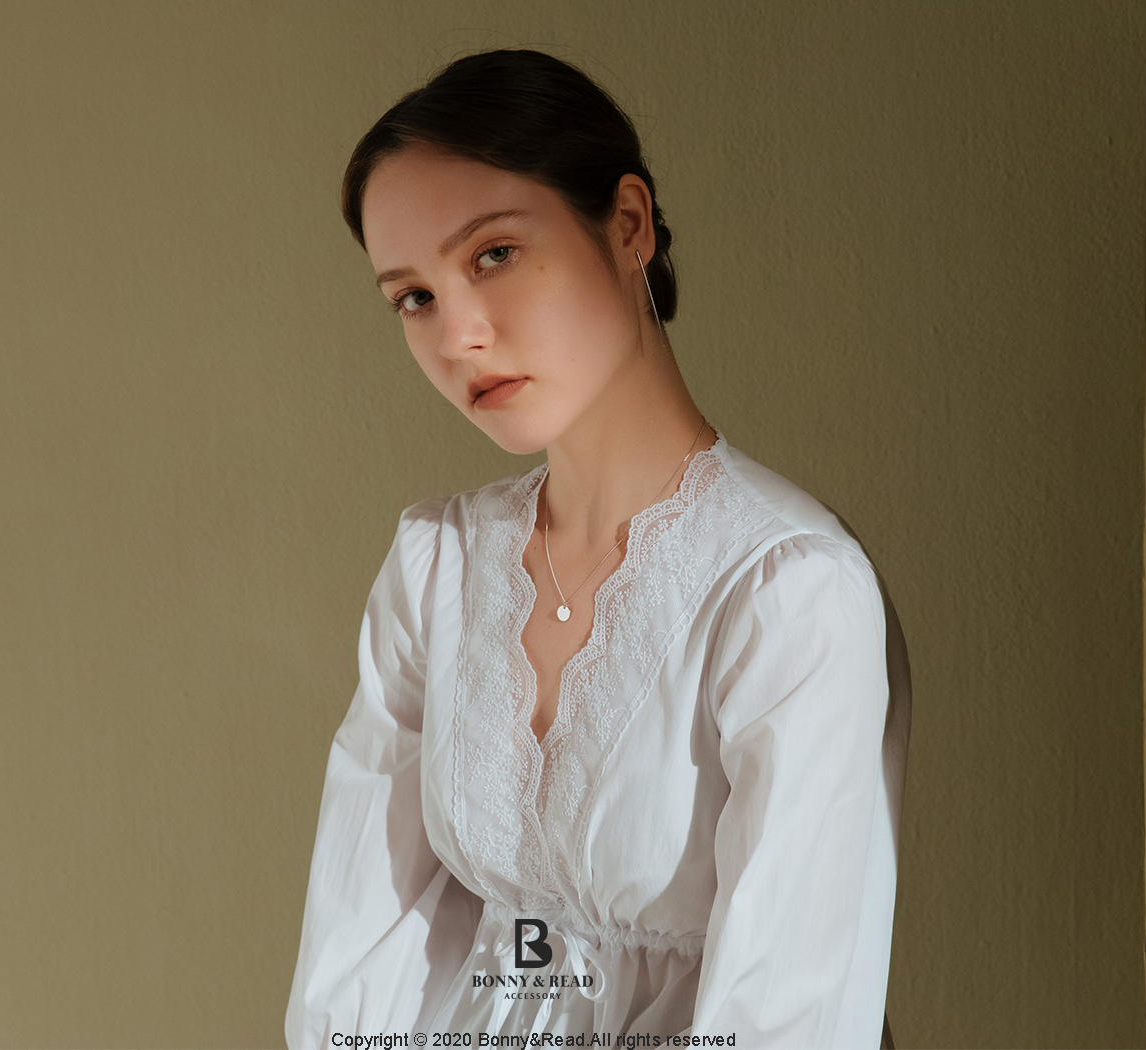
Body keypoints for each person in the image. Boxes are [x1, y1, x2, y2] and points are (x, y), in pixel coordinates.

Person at [285, 48, 911, 1050]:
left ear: (627, 224)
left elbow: (787, 1017)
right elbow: (358, 959)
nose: (457, 337)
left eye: (493, 254)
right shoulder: (438, 565)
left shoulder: (788, 590)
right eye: (414, 297)